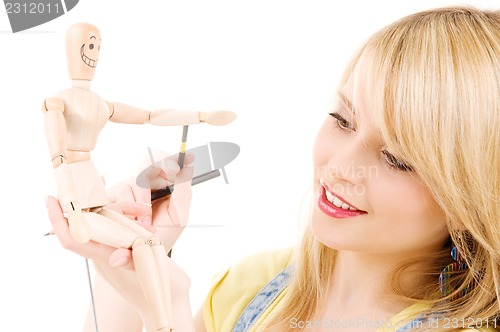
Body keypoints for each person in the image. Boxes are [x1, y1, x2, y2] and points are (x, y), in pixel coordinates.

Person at [46, 6, 500, 332]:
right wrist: (123, 274)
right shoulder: (251, 286)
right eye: (343, 120)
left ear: (475, 197)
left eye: (397, 158)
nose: (340, 167)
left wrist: (167, 309)